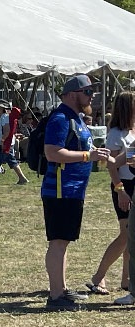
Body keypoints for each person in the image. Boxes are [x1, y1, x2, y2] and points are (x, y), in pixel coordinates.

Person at [42, 74, 113, 310]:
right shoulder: (61, 118)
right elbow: (52, 152)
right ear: (73, 94)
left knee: (64, 241)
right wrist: (87, 156)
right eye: (88, 92)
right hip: (60, 189)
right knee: (58, 242)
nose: (91, 96)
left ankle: (61, 289)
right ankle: (55, 297)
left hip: (73, 190)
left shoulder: (77, 119)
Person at [88, 92, 135, 298]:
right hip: (124, 186)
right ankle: (98, 277)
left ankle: (127, 279)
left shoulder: (133, 131)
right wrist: (120, 190)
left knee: (131, 237)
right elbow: (112, 165)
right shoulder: (116, 134)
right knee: (125, 236)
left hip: (133, 184)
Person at [0, 102, 29, 186]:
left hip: (4, 144)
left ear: (2, 108)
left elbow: (7, 130)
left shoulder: (5, 117)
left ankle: (22, 178)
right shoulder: (5, 117)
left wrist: (3, 140)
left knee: (11, 161)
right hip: (4, 143)